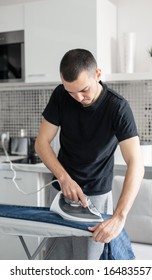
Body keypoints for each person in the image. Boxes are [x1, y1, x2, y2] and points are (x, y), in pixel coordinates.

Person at [35, 48, 144, 260]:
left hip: (96, 195)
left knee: (88, 264)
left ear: (98, 74)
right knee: (54, 263)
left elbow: (136, 163)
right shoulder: (60, 95)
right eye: (70, 92)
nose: (77, 98)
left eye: (83, 90)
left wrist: (119, 216)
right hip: (61, 191)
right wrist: (64, 178)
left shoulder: (118, 108)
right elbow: (41, 143)